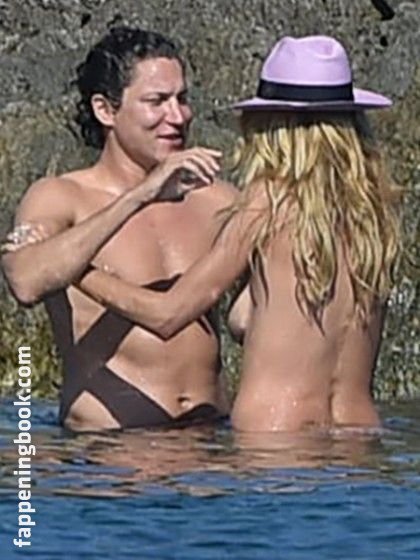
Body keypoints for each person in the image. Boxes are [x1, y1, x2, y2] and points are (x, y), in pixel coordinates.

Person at [75, 35, 402, 432]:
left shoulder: (267, 202)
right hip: (359, 431)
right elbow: (265, 319)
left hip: (277, 432)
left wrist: (80, 274)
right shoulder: (375, 214)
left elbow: (168, 314)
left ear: (273, 125)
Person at [1, 26, 241, 431]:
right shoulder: (61, 197)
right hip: (106, 451)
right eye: (156, 101)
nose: (178, 116)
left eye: (182, 99)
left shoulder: (216, 199)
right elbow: (25, 282)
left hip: (208, 444)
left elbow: (254, 317)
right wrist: (140, 196)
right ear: (105, 110)